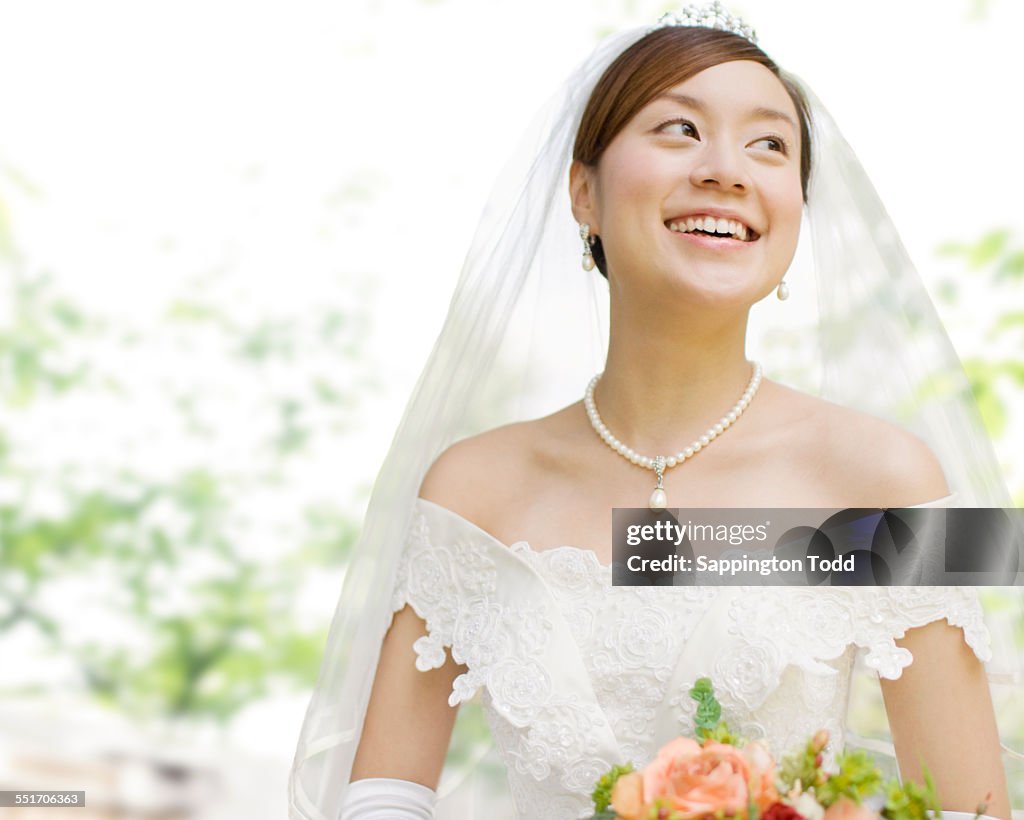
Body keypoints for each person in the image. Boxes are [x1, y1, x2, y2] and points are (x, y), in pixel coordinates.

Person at [290, 5, 1019, 819]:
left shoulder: (889, 478)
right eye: (678, 128)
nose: (727, 169)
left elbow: (971, 812)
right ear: (583, 195)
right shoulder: (470, 489)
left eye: (769, 144)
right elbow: (382, 799)